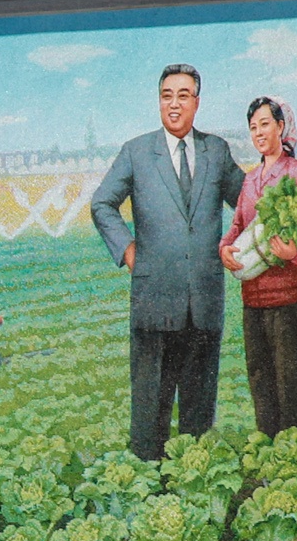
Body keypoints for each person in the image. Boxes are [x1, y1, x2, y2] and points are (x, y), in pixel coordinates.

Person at [90, 63, 246, 460]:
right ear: (159, 101)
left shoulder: (216, 150)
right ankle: (148, 487)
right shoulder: (137, 151)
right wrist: (128, 251)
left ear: (197, 101)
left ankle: (194, 480)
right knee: (150, 409)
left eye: (183, 96)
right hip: (154, 298)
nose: (174, 105)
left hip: (204, 301)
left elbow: (247, 203)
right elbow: (102, 203)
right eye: (166, 96)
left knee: (198, 411)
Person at [219, 97, 297, 438]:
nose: (259, 133)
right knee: (260, 381)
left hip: (289, 301)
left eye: (265, 124)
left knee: (291, 381)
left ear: (281, 128)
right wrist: (224, 247)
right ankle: (272, 452)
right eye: (253, 127)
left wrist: (294, 253)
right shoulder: (250, 181)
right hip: (253, 300)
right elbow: (238, 226)